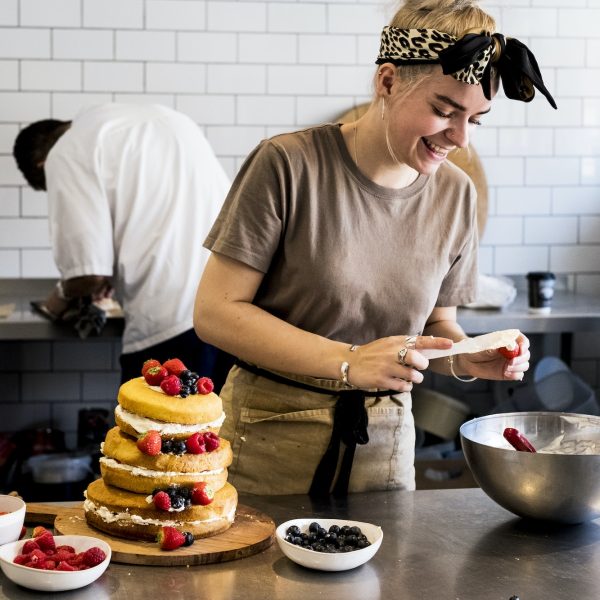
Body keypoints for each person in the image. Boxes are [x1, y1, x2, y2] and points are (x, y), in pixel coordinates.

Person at [193, 0, 556, 497]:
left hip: (383, 447)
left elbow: (433, 327)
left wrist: (465, 356)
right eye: (443, 111)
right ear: (387, 81)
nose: (460, 138)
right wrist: (347, 360)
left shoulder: (456, 194)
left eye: (477, 119)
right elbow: (215, 312)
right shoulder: (288, 164)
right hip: (268, 436)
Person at [13, 103, 233, 387]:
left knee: (152, 427)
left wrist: (58, 299)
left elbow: (87, 275)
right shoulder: (160, 120)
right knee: (217, 427)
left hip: (170, 322)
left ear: (43, 165)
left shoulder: (66, 152)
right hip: (232, 308)